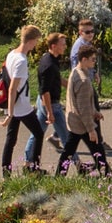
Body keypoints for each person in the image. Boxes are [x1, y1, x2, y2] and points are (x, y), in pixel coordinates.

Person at [0, 27, 47, 175]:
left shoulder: (12, 54)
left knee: (11, 139)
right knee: (38, 133)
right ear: (31, 41)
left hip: (13, 105)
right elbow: (13, 88)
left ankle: (6, 173)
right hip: (21, 107)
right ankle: (34, 168)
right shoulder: (21, 61)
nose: (36, 44)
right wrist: (11, 114)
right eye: (36, 41)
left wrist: (9, 110)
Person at [57, 47, 108, 175]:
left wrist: (95, 111)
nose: (94, 62)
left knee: (68, 152)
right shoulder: (83, 80)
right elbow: (83, 108)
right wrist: (91, 129)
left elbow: (84, 102)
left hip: (73, 121)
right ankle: (108, 176)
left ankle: (59, 176)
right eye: (93, 59)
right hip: (82, 124)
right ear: (84, 59)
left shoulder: (75, 71)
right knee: (98, 151)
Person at [36, 30, 71, 168]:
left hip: (44, 103)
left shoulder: (50, 59)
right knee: (67, 138)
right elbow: (45, 91)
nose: (65, 46)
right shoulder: (49, 65)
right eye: (62, 44)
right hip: (51, 105)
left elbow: (56, 79)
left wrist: (71, 85)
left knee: (37, 134)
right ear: (53, 46)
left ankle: (29, 161)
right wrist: (50, 112)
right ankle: (79, 166)